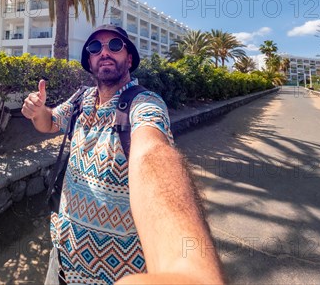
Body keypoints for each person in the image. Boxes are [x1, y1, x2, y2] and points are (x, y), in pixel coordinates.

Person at [22, 25, 224, 285]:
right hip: (62, 258)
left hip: (116, 275)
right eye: (95, 48)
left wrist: (186, 267)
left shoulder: (145, 104)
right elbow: (49, 122)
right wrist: (37, 110)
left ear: (128, 58)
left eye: (115, 45)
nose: (104, 52)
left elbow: (153, 155)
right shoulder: (81, 99)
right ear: (90, 61)